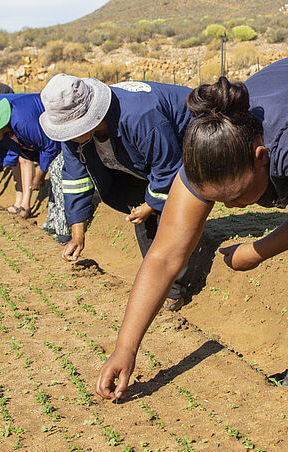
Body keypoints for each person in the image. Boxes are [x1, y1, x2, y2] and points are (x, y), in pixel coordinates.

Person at [91, 41, 288, 410]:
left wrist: (255, 250)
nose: (228, 207)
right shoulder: (207, 155)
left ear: (261, 159)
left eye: (235, 197)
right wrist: (125, 348)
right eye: (217, 200)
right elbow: (164, 256)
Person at [39, 74, 194, 308]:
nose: (69, 136)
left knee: (168, 212)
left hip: (188, 143)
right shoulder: (72, 134)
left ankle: (173, 289)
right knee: (139, 211)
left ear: (90, 116)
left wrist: (151, 204)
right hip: (144, 160)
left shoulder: (140, 117)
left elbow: (168, 167)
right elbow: (75, 178)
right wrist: (78, 234)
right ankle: (160, 280)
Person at [0, 94, 60, 219]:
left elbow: (50, 146)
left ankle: (62, 226)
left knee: (59, 174)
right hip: (48, 145)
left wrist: (40, 176)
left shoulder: (22, 121)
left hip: (62, 137)